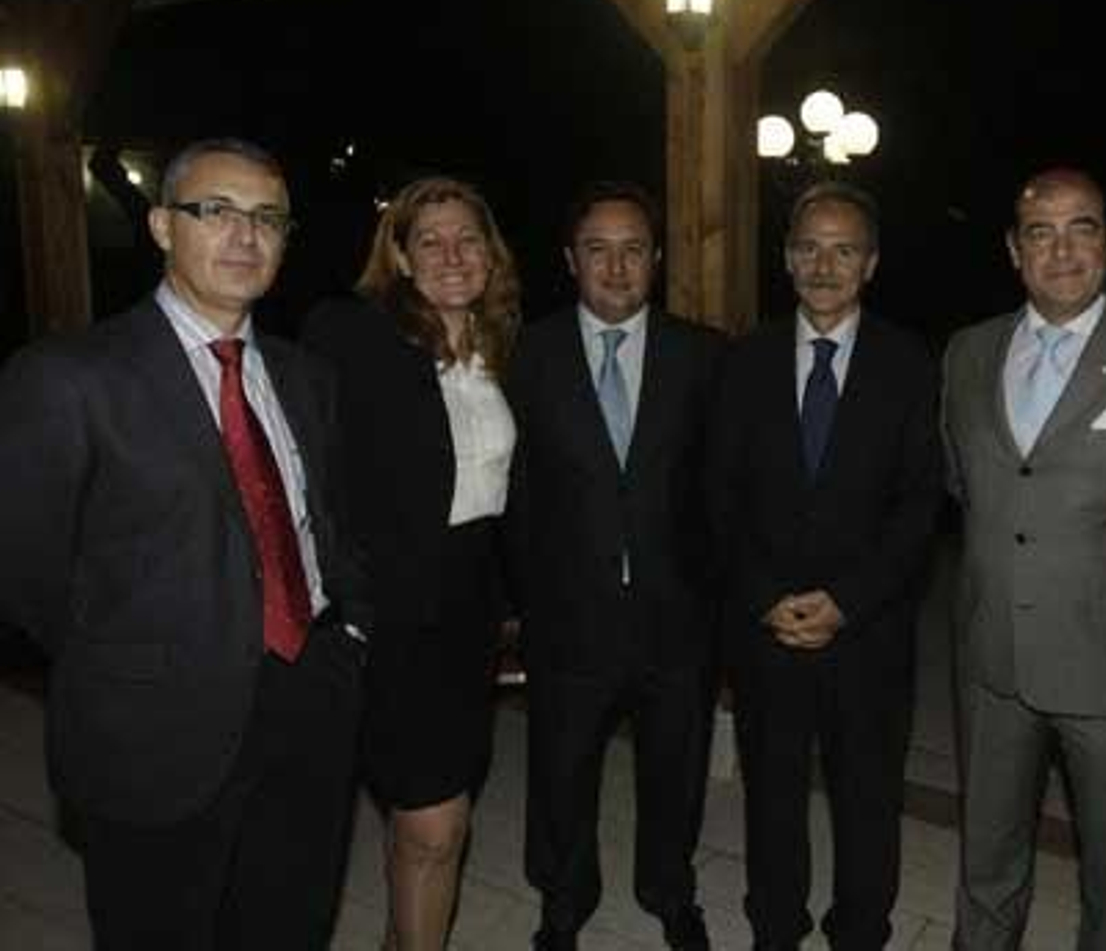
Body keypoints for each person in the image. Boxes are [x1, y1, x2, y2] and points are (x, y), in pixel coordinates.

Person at [0, 137, 372, 949]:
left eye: (268, 218)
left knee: (287, 927)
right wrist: (125, 658)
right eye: (218, 212)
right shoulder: (69, 377)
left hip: (307, 703)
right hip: (153, 729)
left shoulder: (307, 376)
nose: (246, 236)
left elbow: (328, 525)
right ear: (164, 226)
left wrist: (347, 639)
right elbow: (26, 572)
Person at [941, 167, 1106, 951]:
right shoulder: (967, 352)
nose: (1061, 249)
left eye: (1081, 227)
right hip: (992, 665)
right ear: (1014, 252)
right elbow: (965, 484)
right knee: (986, 859)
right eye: (1040, 232)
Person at [706, 181, 944, 951]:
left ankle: (860, 929)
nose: (824, 264)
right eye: (809, 247)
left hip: (867, 633)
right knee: (772, 796)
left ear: (870, 264)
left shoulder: (911, 364)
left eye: (844, 249)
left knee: (867, 798)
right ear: (786, 258)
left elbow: (920, 505)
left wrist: (847, 600)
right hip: (766, 630)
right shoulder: (743, 361)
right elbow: (717, 498)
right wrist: (763, 597)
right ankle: (775, 927)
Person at [301, 175, 521, 950]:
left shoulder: (500, 351)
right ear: (397, 255)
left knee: (434, 826)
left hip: (469, 616)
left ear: (492, 256)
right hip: (390, 621)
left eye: (469, 239)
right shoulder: (356, 337)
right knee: (434, 823)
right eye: (429, 240)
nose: (452, 255)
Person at [505, 181, 724, 951]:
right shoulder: (525, 354)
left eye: (634, 249)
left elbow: (721, 491)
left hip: (678, 617)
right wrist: (516, 605)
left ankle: (670, 889)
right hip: (568, 616)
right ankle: (563, 901)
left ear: (656, 259)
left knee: (676, 770)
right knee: (561, 774)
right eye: (598, 249)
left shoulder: (702, 355)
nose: (617, 267)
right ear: (571, 260)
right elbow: (515, 488)